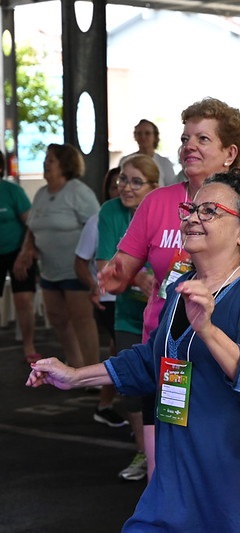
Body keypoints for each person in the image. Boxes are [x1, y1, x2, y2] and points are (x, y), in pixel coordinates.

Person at [27, 170, 240, 530]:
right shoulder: (182, 288)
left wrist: (207, 329)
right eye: (191, 208)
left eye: (209, 211)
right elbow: (153, 360)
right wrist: (75, 376)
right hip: (180, 471)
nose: (192, 217)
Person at [98, 97, 240, 481]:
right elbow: (124, 265)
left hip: (221, 359)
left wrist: (227, 261)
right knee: (165, 479)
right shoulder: (157, 202)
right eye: (185, 137)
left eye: (202, 138)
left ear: (230, 153)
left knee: (216, 477)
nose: (189, 145)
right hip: (166, 355)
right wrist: (118, 273)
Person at [96, 156, 161, 481]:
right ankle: (144, 451)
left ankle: (168, 457)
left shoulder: (168, 210)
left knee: (170, 389)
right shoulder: (110, 211)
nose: (126, 186)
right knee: (132, 388)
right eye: (123, 179)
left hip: (167, 317)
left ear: (154, 187)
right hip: (129, 316)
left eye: (136, 181)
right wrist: (138, 279)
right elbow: (104, 264)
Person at [14, 143, 100, 370]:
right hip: (49, 270)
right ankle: (75, 363)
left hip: (76, 269)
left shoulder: (77, 191)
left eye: (51, 160)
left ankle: (92, 370)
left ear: (65, 164)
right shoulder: (42, 193)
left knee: (82, 319)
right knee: (57, 319)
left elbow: (97, 226)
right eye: (45, 159)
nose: (45, 163)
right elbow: (32, 228)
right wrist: (26, 250)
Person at [74, 166, 128, 429]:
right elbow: (80, 263)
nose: (124, 189)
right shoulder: (99, 219)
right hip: (109, 300)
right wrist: (95, 287)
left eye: (133, 183)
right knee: (123, 352)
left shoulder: (142, 216)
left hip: (133, 298)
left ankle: (107, 405)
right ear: (108, 189)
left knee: (120, 351)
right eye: (118, 184)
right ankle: (108, 405)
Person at [0, 151, 40, 364]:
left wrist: (25, 253)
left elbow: (31, 225)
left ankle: (29, 346)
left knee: (23, 299)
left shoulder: (12, 192)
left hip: (18, 251)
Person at [124, 119, 179, 186]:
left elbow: (171, 189)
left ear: (155, 136)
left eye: (147, 133)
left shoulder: (165, 163)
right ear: (135, 136)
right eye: (139, 133)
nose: (143, 137)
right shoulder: (125, 161)